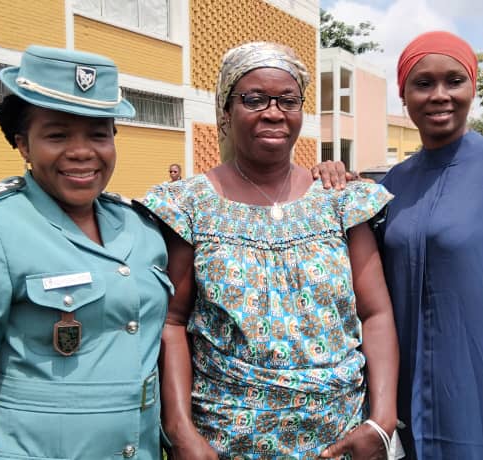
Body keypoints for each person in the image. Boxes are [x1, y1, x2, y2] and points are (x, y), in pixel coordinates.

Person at [314, 31, 483, 459]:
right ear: (404, 95)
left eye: (454, 81)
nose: (440, 95)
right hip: (409, 410)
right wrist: (331, 179)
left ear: (473, 87)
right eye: (423, 84)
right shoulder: (393, 185)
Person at [0, 46, 170, 460]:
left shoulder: (141, 227)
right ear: (23, 145)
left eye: (98, 133)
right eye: (57, 134)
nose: (82, 151)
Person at [142, 42, 400, 459]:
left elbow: (375, 314)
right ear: (226, 111)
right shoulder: (189, 206)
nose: (273, 112)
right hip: (224, 441)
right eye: (255, 99)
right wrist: (180, 430)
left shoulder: (339, 200)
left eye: (288, 100)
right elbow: (172, 322)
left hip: (341, 438)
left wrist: (381, 422)